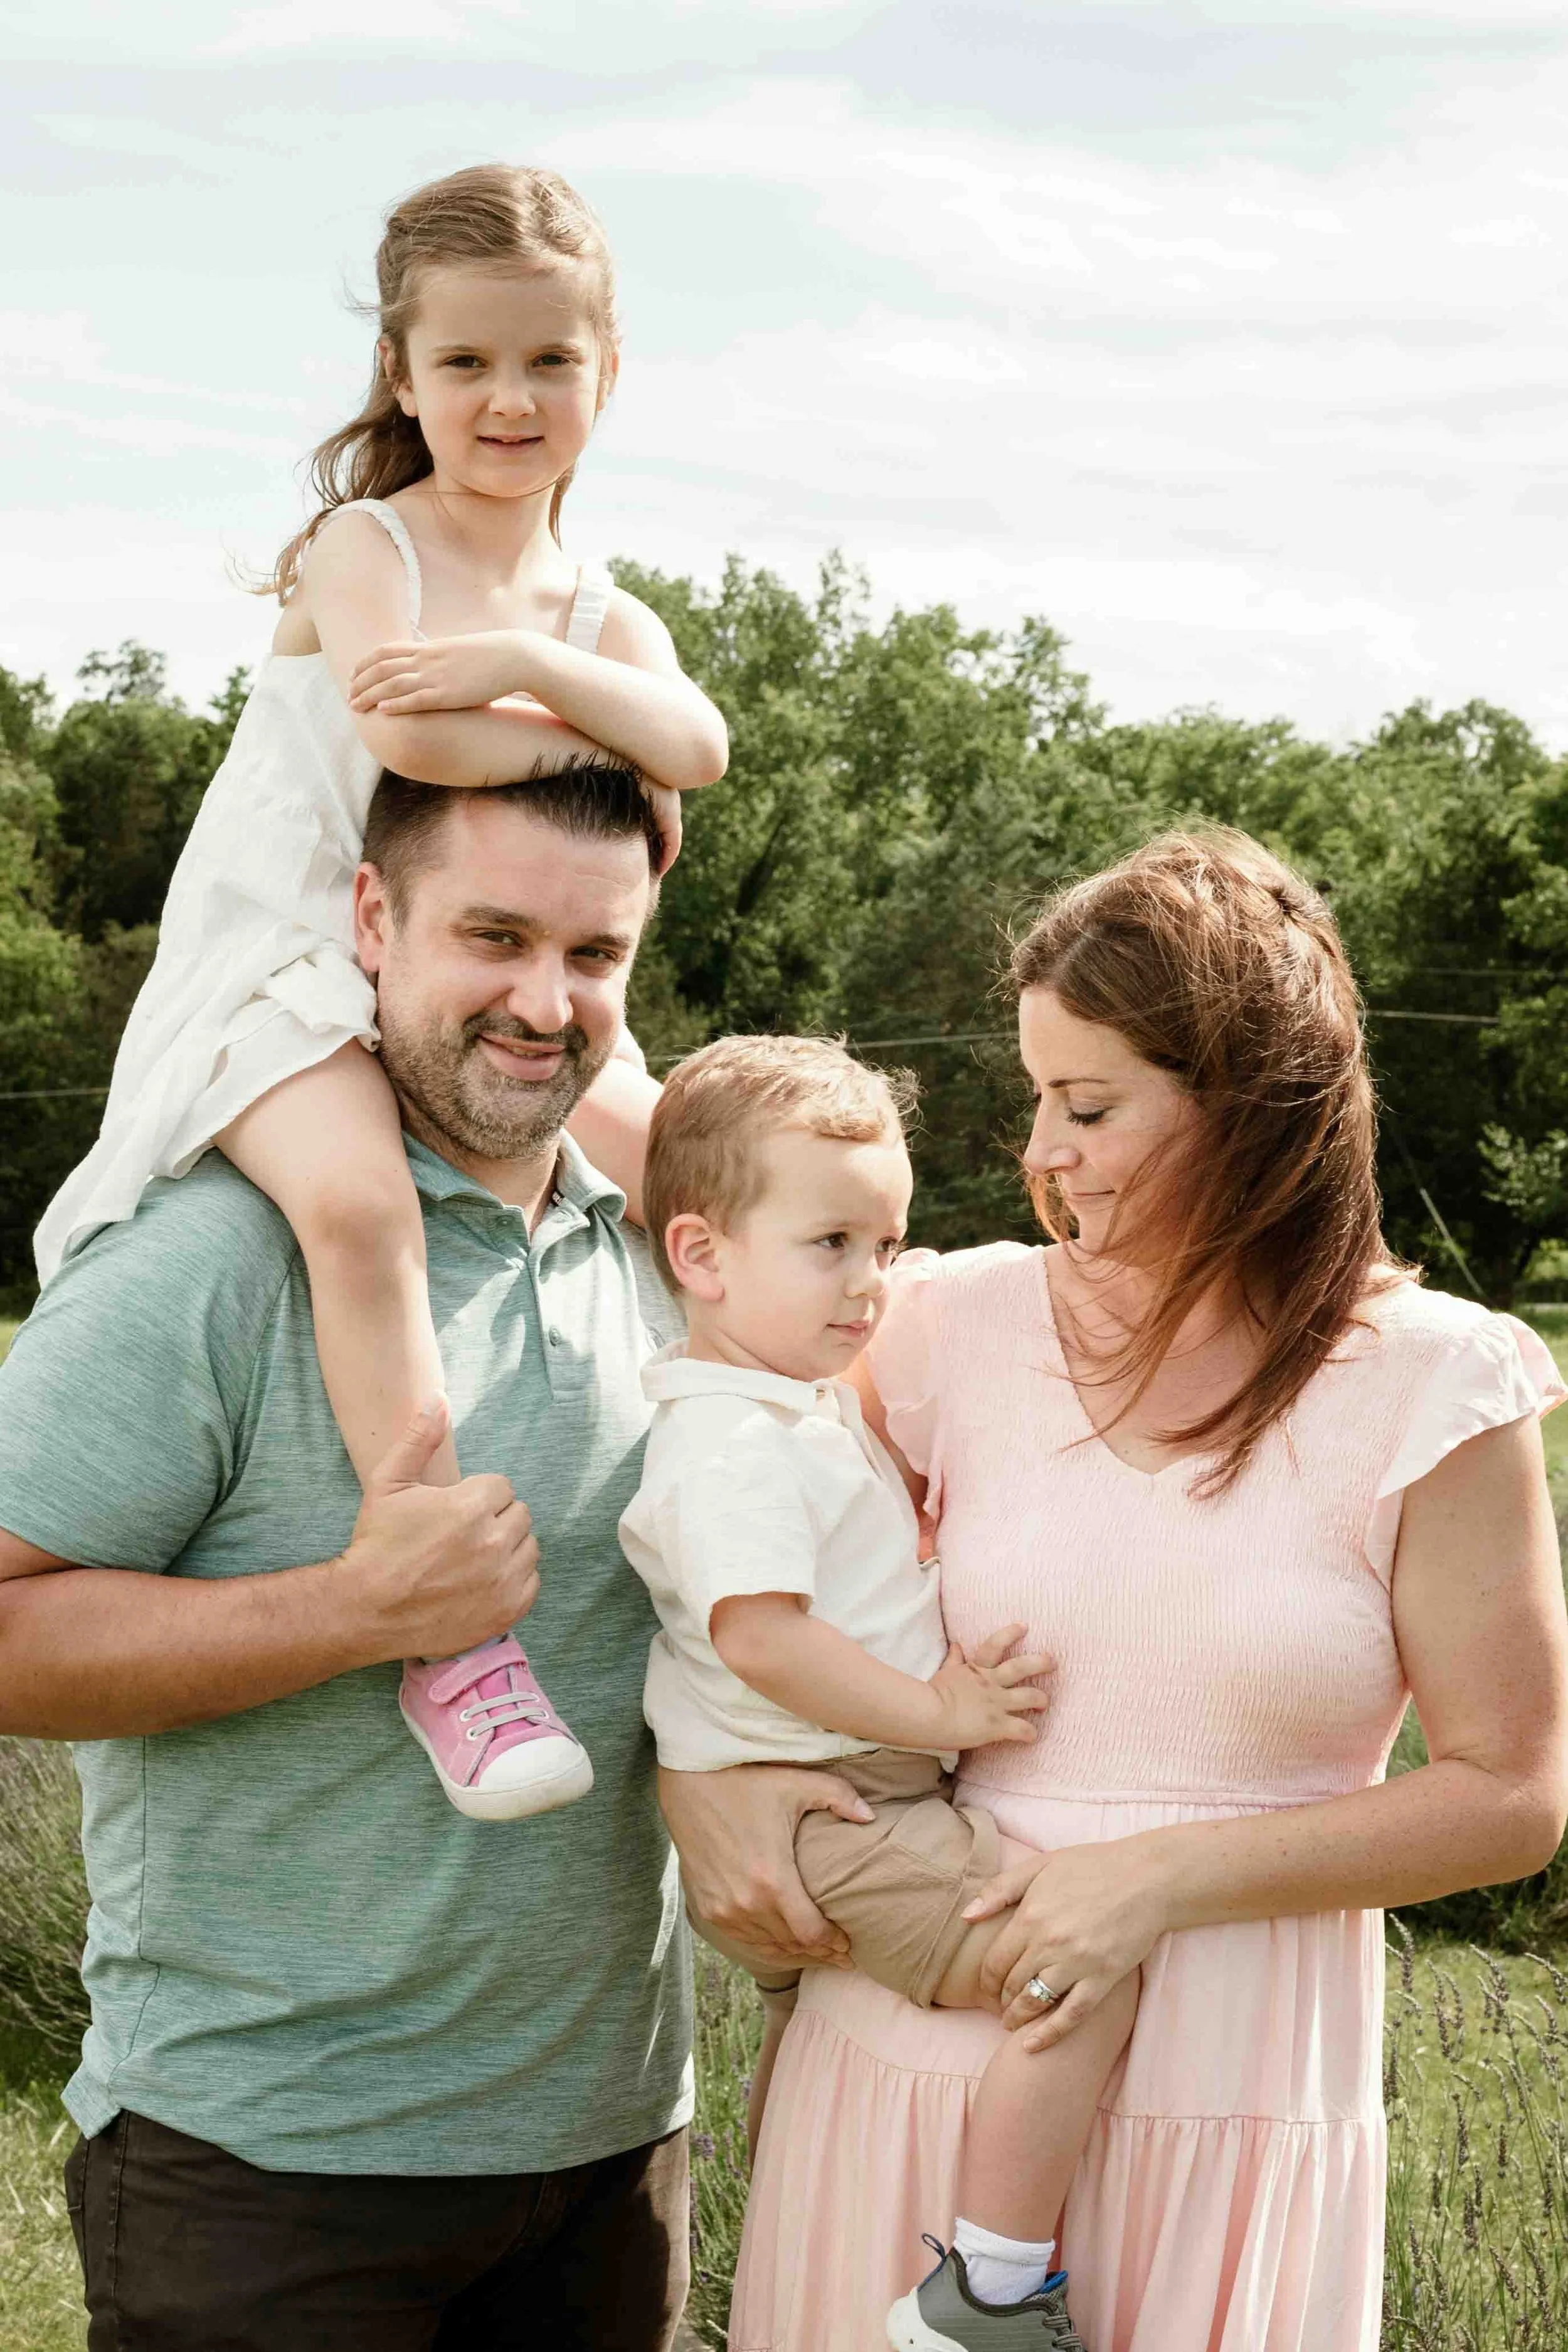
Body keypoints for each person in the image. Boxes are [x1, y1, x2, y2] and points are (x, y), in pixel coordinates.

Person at [656, 830, 1568, 2352]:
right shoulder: (943, 1329)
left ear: (1257, 1108)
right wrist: (707, 1794)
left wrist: (1148, 1881)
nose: (1042, 1151)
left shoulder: (1433, 1388)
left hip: (1236, 2102)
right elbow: (723, 1557)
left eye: (1088, 1105)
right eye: (1037, 1101)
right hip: (907, 2081)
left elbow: (1509, 1796)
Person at [0, 762, 770, 2352]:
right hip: (270, 2174)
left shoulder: (671, 1258)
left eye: (594, 956)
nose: (544, 1002)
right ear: (370, 917)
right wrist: (357, 1613)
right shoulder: (215, 1258)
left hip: (612, 2150)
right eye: (491, 936)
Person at [33, 161, 728, 1821]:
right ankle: (443, 1622)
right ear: (403, 379)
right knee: (362, 1216)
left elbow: (692, 752)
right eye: (467, 363)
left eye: (548, 361)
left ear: (606, 375)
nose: (508, 398)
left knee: (711, 1163)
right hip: (289, 973)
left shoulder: (596, 613)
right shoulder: (365, 547)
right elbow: (414, 746)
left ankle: (803, 1521)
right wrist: (590, 729)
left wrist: (531, 665)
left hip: (472, 977)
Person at [619, 1033, 1135, 2346]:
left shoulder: (776, 1398)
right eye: (830, 1246)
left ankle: (787, 2236)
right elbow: (763, 1642)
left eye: (886, 1245)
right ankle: (987, 2294)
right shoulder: (731, 1440)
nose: (870, 1286)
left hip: (833, 1800)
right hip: (847, 1805)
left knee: (810, 2045)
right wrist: (945, 1714)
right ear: (700, 1257)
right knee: (1073, 1977)